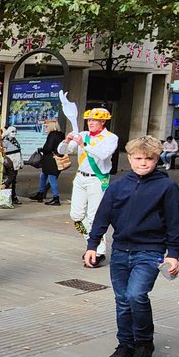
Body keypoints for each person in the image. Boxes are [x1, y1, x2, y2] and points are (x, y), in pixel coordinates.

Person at [85, 136, 179, 357]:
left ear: (157, 158)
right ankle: (125, 344)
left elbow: (174, 223)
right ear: (129, 158)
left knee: (136, 295)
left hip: (149, 251)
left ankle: (143, 344)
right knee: (122, 300)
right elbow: (102, 217)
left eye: (149, 159)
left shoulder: (166, 187)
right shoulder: (118, 186)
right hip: (120, 250)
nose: (143, 163)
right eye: (138, 158)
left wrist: (173, 253)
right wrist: (92, 244)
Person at [60, 107, 118, 262]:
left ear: (103, 121)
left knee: (94, 216)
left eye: (94, 120)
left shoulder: (110, 138)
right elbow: (63, 150)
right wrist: (66, 141)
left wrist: (84, 145)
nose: (91, 123)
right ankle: (90, 242)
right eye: (89, 120)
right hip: (80, 178)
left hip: (97, 179)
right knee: (76, 215)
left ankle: (97, 251)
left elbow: (103, 154)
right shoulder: (83, 135)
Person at [2, 126, 22, 205]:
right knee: (10, 179)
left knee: (13, 180)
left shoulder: (15, 141)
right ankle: (10, 197)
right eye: (12, 132)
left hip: (16, 162)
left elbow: (19, 152)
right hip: (9, 162)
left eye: (15, 132)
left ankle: (13, 197)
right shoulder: (5, 141)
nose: (14, 133)